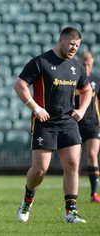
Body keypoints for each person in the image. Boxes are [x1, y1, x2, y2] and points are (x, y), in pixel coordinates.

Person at [14, 27, 92, 223]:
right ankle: (27, 199)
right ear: (61, 40)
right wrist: (36, 108)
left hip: (68, 122)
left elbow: (87, 90)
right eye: (71, 44)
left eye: (77, 45)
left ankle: (70, 212)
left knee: (73, 164)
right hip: (44, 122)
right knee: (40, 169)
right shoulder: (41, 62)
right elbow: (20, 85)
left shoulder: (77, 66)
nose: (74, 48)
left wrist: (81, 110)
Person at [76, 51, 100, 203]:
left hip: (92, 124)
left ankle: (94, 194)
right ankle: (73, 195)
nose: (85, 67)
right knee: (75, 160)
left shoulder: (96, 80)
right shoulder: (73, 79)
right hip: (75, 124)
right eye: (83, 64)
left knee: (92, 155)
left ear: (92, 64)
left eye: (88, 64)